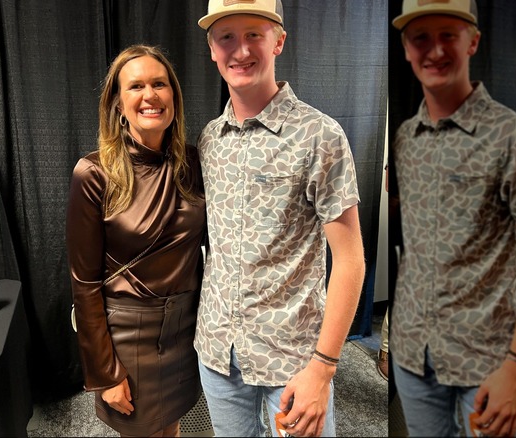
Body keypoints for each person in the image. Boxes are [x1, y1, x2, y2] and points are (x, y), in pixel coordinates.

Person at [194, 1, 366, 436]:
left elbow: (350, 260)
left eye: (254, 33)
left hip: (293, 361)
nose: (240, 50)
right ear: (212, 48)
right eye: (226, 36)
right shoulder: (210, 140)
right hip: (218, 352)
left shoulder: (319, 135)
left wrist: (323, 369)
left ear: (279, 41)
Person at [390, 1, 516, 436]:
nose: (434, 50)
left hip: (486, 361)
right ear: (407, 48)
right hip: (414, 355)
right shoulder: (407, 138)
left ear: (473, 41)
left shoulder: (513, 136)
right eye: (420, 38)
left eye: (448, 34)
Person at [66, 44, 206, 438]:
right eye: (136, 86)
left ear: (174, 96)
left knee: (171, 429)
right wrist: (105, 373)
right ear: (117, 102)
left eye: (160, 84)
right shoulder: (93, 173)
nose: (150, 95)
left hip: (184, 326)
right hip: (129, 334)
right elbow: (84, 282)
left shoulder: (193, 163)